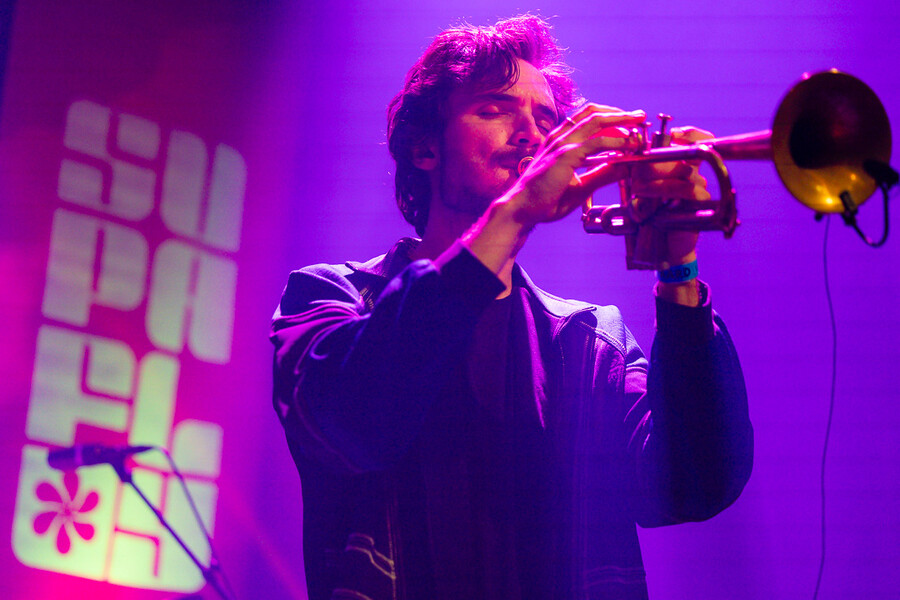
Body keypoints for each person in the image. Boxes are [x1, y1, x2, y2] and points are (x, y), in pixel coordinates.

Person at [271, 14, 753, 600]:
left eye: (546, 122)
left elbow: (693, 484)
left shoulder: (589, 341)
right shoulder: (332, 297)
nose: (531, 135)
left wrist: (678, 269)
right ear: (425, 147)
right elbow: (354, 425)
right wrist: (518, 210)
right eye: (496, 109)